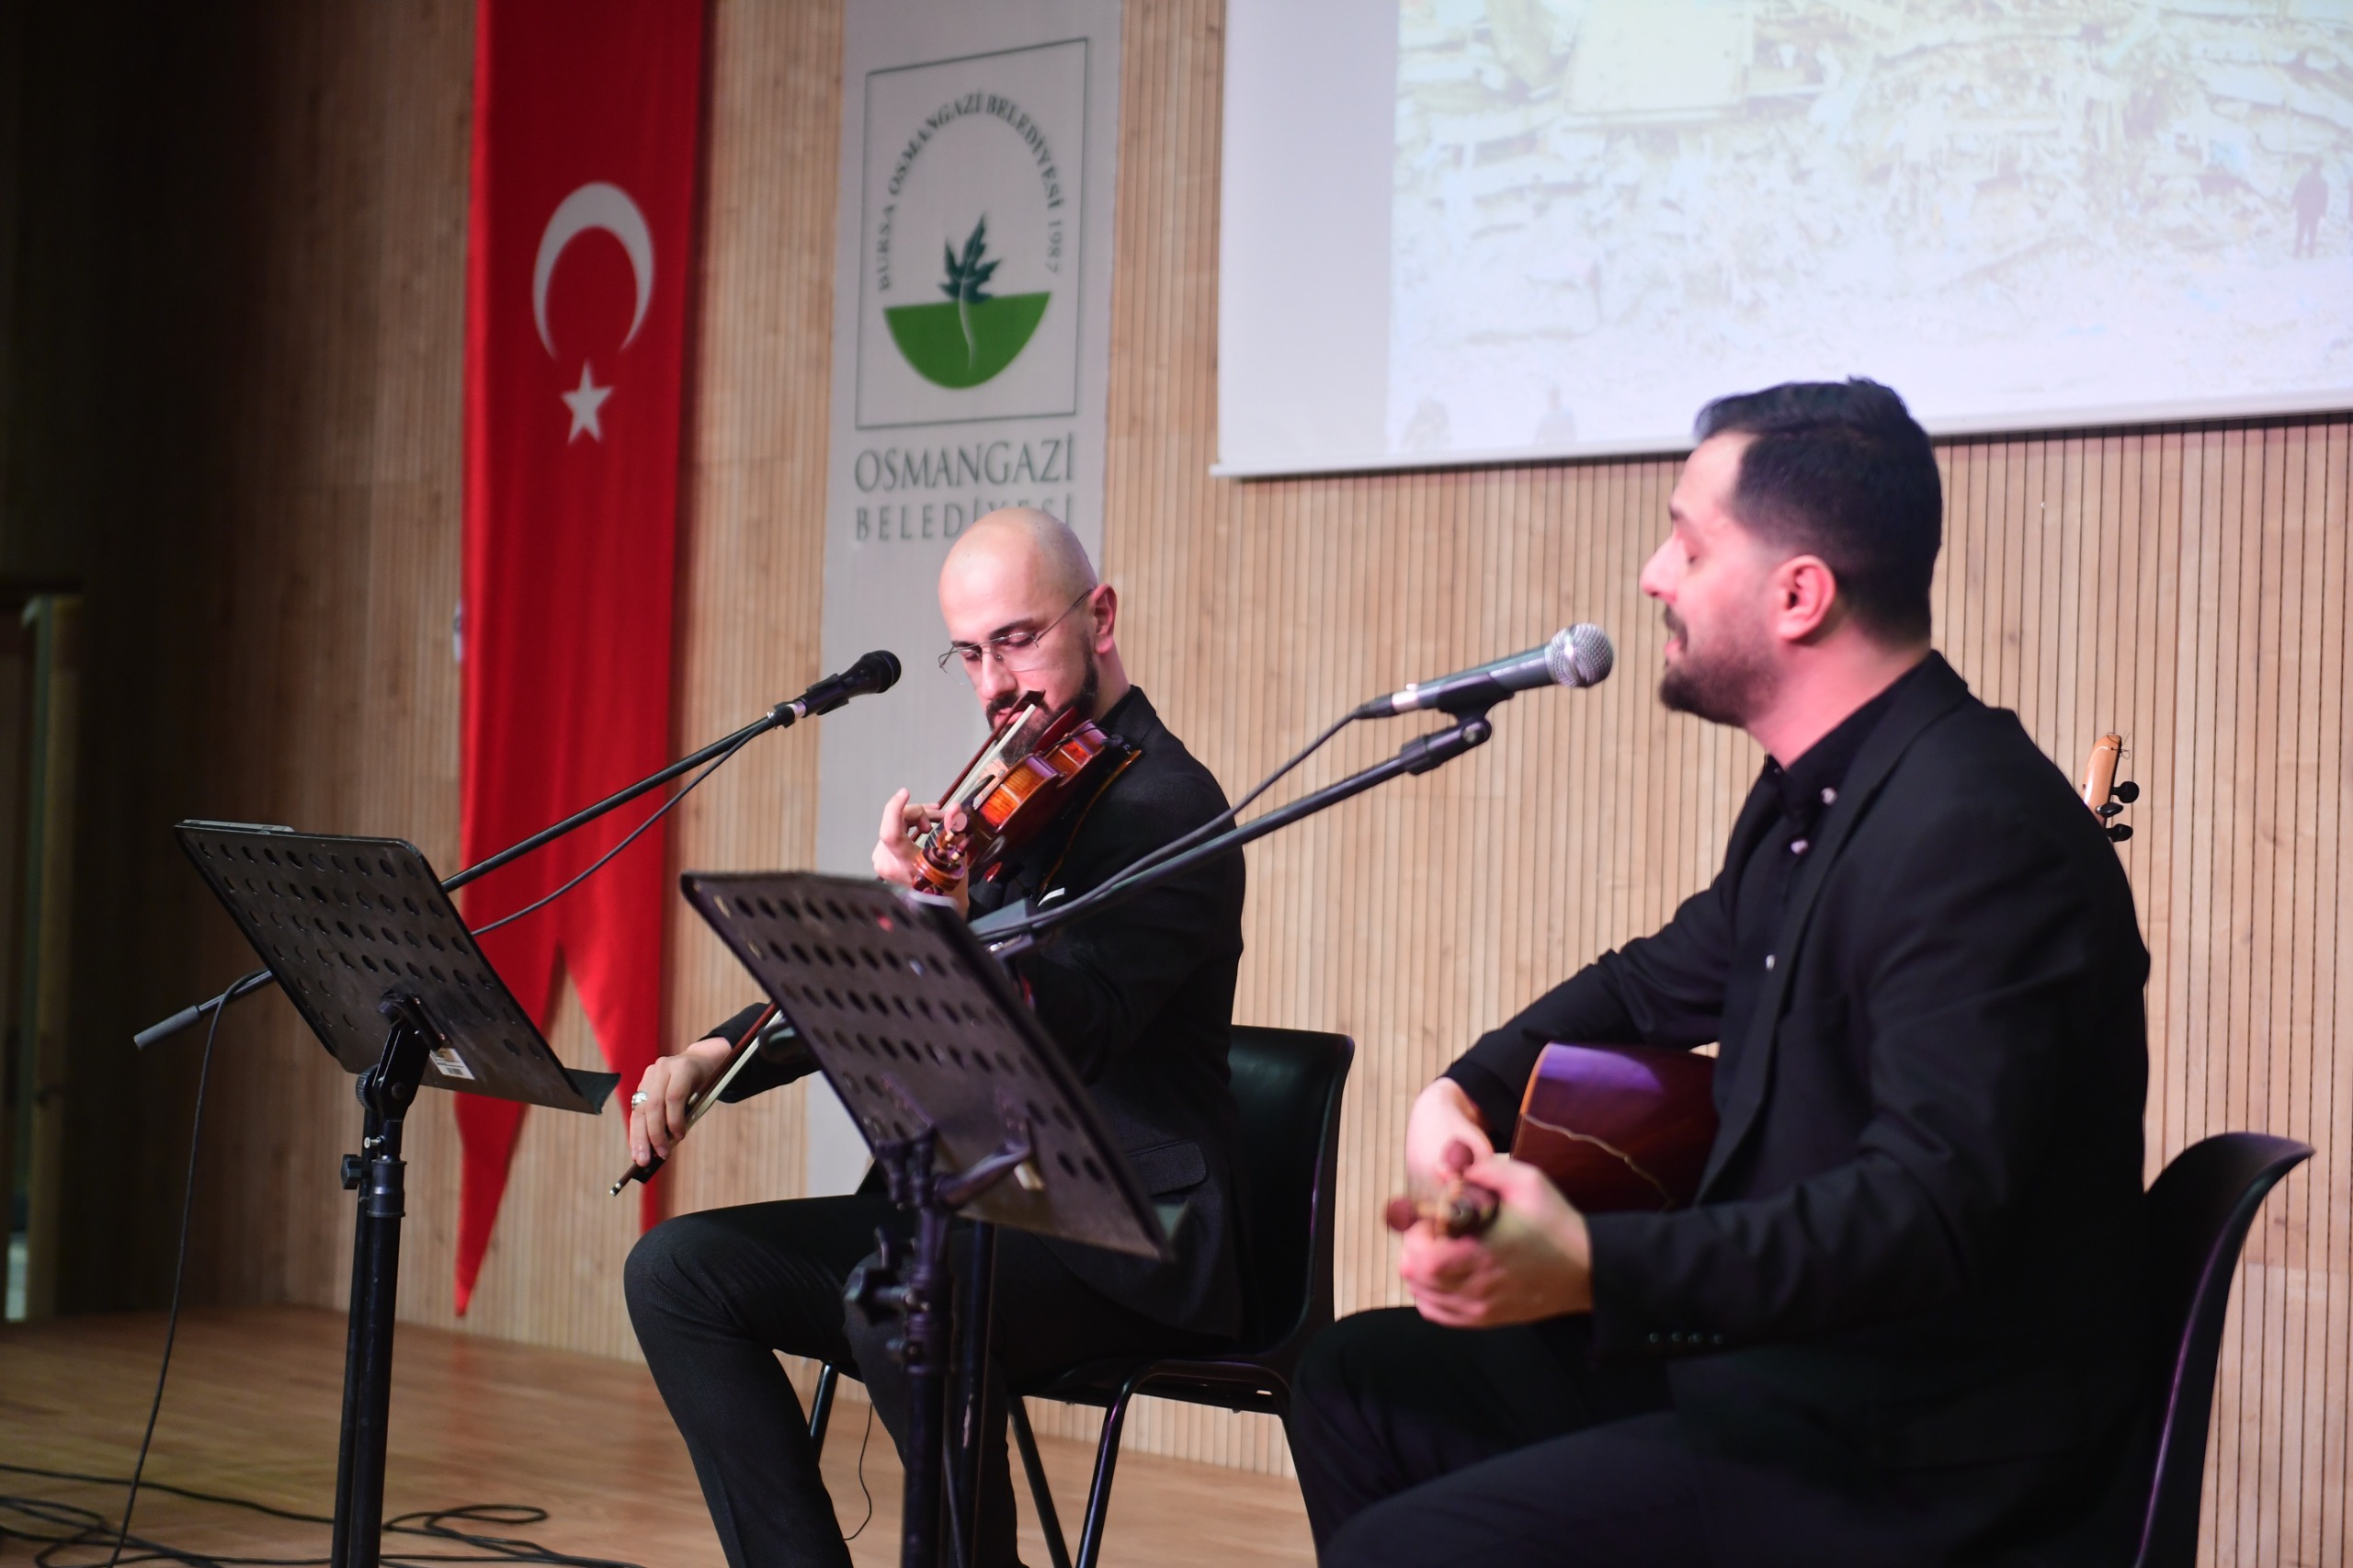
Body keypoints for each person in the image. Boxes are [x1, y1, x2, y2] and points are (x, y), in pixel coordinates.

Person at [1290, 381, 2151, 1566]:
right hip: (1787, 1382)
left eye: (1687, 546)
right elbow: (1648, 984)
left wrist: (1591, 1262)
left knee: (1407, 1547)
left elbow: (1923, 1212)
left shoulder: (1975, 829)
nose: (1652, 575)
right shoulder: (1820, 795)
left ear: (1798, 594)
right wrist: (1463, 1093)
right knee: (1356, 1378)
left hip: (1918, 1456)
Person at [623, 507, 1247, 1568]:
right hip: (985, 1210)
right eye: (969, 653)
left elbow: (1084, 1029)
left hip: (1135, 1234)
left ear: (1099, 617)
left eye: (1017, 639)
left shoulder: (1170, 806)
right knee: (679, 1269)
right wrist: (717, 1052)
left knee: (908, 1301)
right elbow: (883, 989)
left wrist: (945, 932)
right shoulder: (1019, 801)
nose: (995, 682)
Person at [2293, 159, 2327, 257]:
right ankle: (2311, 252)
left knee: (2300, 230)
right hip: (2315, 210)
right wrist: (2323, 210)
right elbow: (2325, 198)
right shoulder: (2322, 181)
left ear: (2312, 166)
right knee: (2313, 232)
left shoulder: (2304, 178)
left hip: (2303, 208)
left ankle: (2297, 252)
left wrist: (2293, 202)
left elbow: (2297, 190)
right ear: (2320, 168)